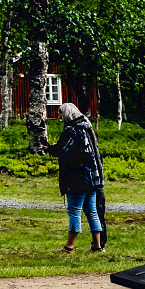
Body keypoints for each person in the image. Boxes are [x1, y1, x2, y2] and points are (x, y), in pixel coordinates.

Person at [56, 101, 106, 252]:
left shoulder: (71, 130)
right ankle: (97, 246)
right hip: (93, 177)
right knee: (91, 211)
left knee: (74, 210)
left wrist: (50, 147)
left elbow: (64, 151)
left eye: (60, 114)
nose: (59, 117)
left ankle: (69, 246)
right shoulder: (87, 127)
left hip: (77, 178)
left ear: (65, 114)